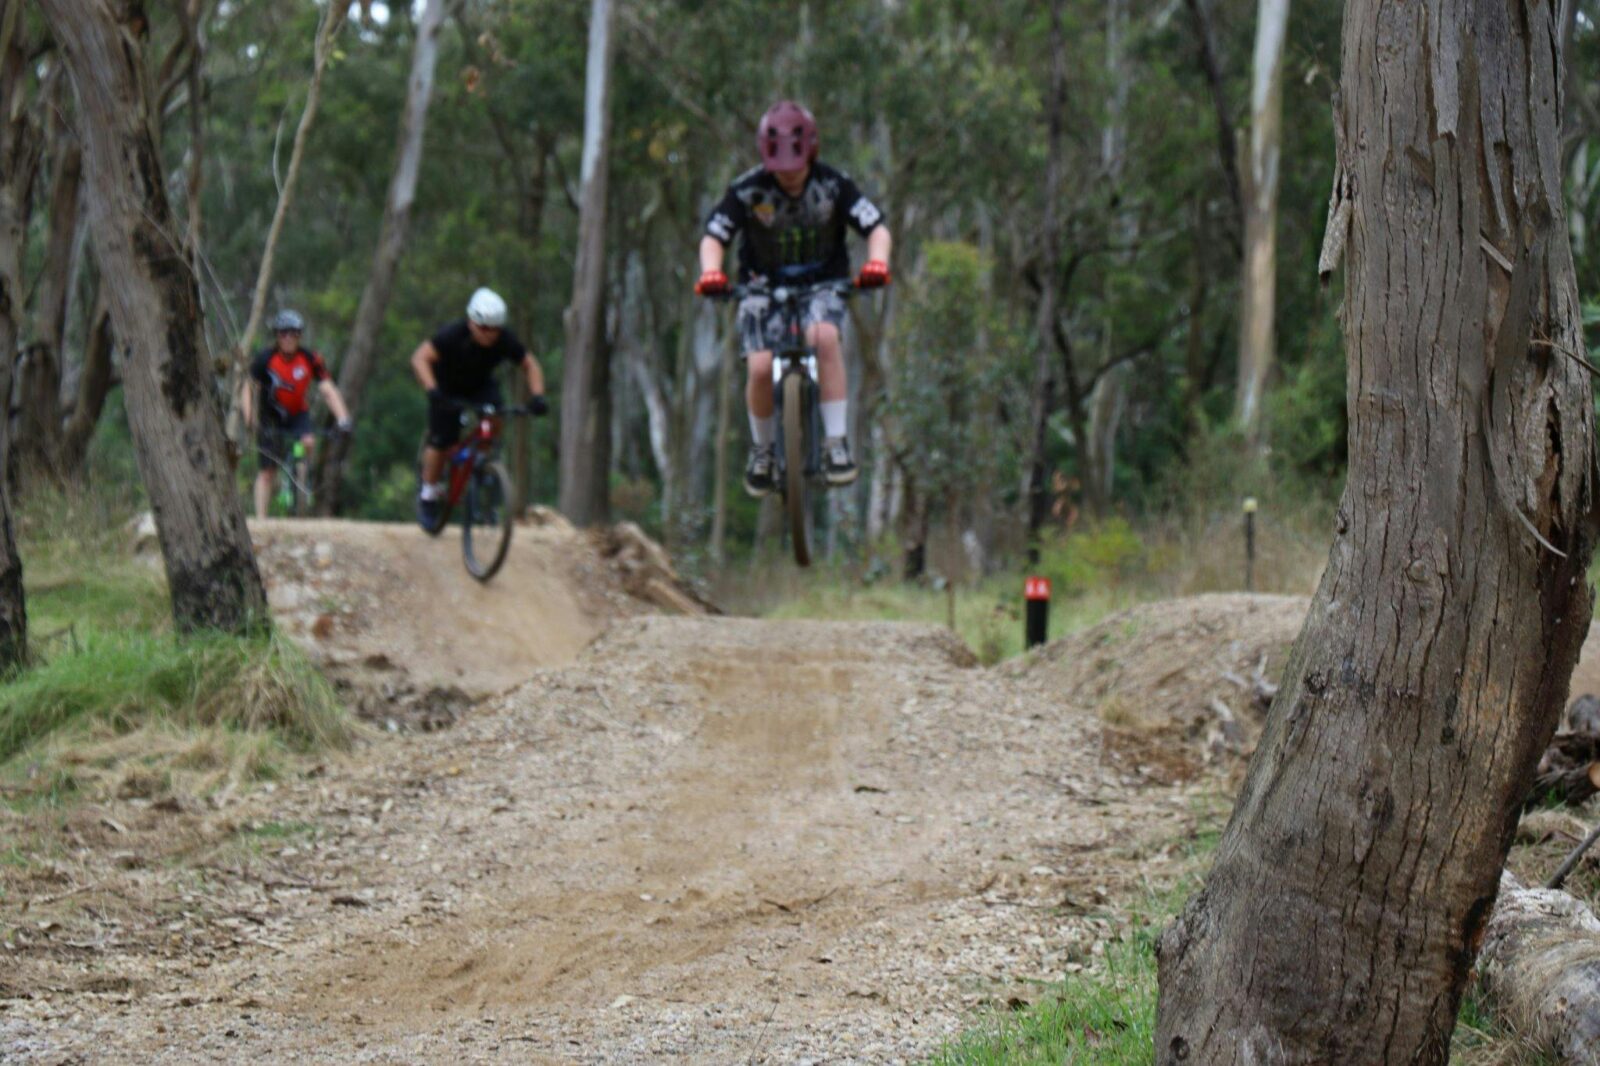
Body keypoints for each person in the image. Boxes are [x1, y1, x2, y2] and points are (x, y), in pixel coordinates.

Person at [695, 100, 892, 497]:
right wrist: (711, 271)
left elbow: (877, 228)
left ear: (811, 154)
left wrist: (877, 263)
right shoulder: (747, 189)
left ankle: (836, 443)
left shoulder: (835, 185)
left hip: (824, 284)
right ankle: (763, 451)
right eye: (779, 169)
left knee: (823, 337)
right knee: (760, 366)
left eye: (795, 167)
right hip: (759, 286)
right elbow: (714, 236)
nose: (787, 177)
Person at [410, 287, 549, 530]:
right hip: (446, 387)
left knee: (496, 414)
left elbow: (530, 365)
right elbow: (420, 358)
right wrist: (432, 390)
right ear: (472, 322)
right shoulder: (452, 334)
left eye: (495, 329)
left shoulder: (505, 339)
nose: (490, 335)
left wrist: (538, 396)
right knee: (441, 440)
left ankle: (482, 461)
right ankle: (429, 494)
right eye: (484, 328)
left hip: (480, 385)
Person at [242, 309, 353, 519]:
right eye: (283, 333)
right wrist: (249, 416)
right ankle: (261, 519)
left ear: (299, 335)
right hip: (270, 417)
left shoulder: (310, 359)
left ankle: (301, 474)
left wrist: (343, 418)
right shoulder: (265, 359)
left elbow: (328, 389)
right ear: (277, 335)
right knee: (267, 473)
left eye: (293, 333)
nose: (288, 338)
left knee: (309, 441)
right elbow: (248, 387)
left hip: (297, 414)